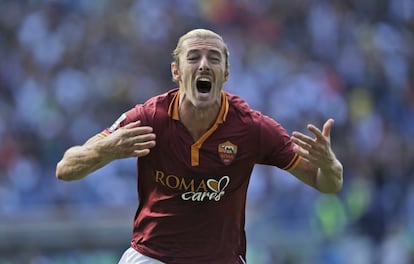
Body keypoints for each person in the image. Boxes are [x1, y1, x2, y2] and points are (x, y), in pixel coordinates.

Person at [56, 28, 343, 264]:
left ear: (226, 72)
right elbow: (65, 169)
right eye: (193, 57)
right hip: (153, 257)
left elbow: (326, 184)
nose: (204, 64)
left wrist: (331, 166)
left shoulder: (251, 128)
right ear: (176, 71)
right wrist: (106, 150)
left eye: (214, 58)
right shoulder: (149, 118)